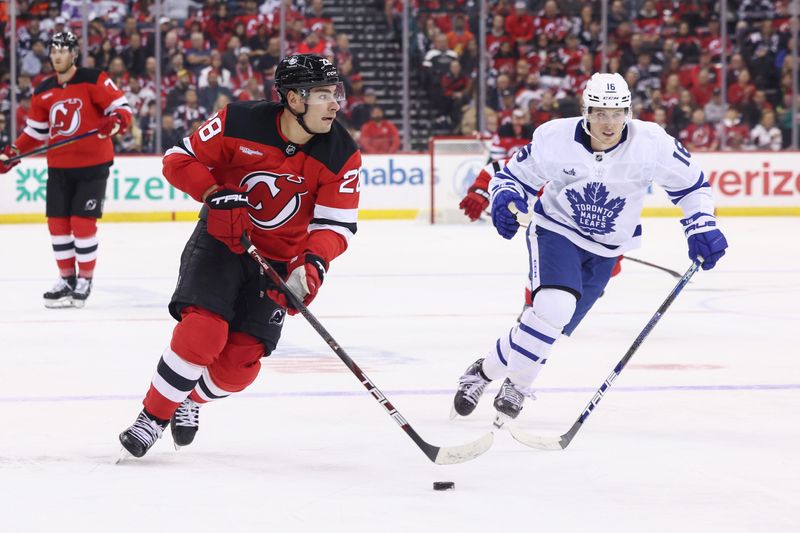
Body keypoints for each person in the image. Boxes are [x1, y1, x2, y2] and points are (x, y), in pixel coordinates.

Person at [118, 54, 362, 459]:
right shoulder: (239, 121)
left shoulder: (341, 152)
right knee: (203, 332)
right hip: (224, 241)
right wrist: (214, 193)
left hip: (280, 262)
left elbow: (336, 226)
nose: (336, 103)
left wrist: (312, 266)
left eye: (336, 92)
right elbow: (178, 159)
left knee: (238, 367)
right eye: (323, 94)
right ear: (294, 99)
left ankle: (190, 400)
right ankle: (153, 418)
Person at [451, 73, 728, 424]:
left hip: (608, 248)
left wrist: (702, 225)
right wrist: (505, 196)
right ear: (586, 110)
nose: (609, 123)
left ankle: (482, 372)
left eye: (617, 113)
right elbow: (514, 175)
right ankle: (518, 386)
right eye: (600, 113)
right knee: (554, 306)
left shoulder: (651, 143)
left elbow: (693, 186)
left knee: (549, 324)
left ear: (628, 111)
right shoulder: (556, 138)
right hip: (556, 230)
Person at [0, 32, 132, 308]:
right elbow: (35, 132)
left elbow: (122, 109)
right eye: (54, 50)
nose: (57, 55)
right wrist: (11, 152)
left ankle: (85, 279)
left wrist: (115, 122)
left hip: (92, 165)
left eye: (63, 50)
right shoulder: (42, 90)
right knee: (58, 225)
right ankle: (66, 278)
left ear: (74, 53)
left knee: (83, 224)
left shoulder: (93, 78)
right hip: (59, 167)